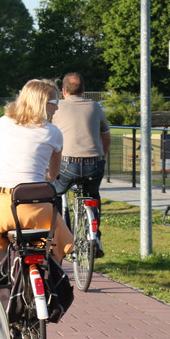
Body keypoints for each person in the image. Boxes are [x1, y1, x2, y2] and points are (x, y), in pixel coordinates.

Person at [0, 78, 73, 265]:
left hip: (0, 205)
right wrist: (43, 175)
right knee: (53, 241)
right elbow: (53, 174)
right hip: (36, 208)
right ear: (42, 103)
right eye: (55, 102)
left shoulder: (2, 123)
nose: (57, 107)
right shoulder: (53, 132)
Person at [50, 72, 112, 257]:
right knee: (93, 195)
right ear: (84, 89)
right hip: (95, 164)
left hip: (68, 165)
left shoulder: (57, 107)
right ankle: (96, 238)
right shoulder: (95, 106)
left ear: (63, 90)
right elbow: (106, 136)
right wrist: (102, 157)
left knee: (53, 194)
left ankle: (63, 238)